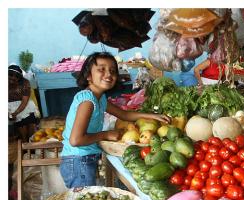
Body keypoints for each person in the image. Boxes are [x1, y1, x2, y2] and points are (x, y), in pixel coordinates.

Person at [60, 52, 170, 188]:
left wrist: (152, 116)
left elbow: (124, 115)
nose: (108, 74)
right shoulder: (87, 100)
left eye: (112, 71)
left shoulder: (100, 98)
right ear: (88, 76)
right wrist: (105, 135)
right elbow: (76, 140)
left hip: (82, 159)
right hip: (78, 160)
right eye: (101, 69)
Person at [8, 65, 40, 142]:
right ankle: (25, 145)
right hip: (10, 107)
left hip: (25, 106)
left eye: (16, 76)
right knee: (21, 126)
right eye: (10, 75)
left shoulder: (25, 83)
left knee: (30, 123)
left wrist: (16, 113)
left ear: (19, 77)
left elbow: (24, 102)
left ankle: (32, 145)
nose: (12, 78)